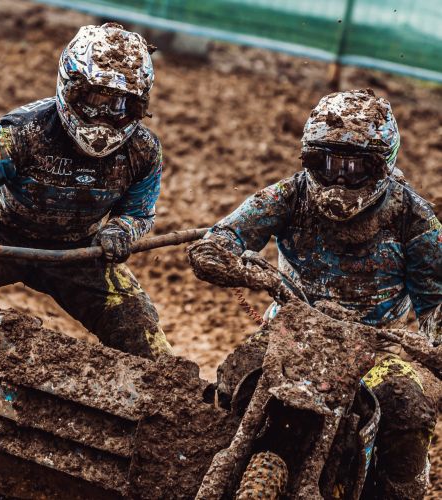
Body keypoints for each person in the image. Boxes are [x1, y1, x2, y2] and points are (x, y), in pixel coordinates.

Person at [188, 89, 440, 499]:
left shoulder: (414, 218)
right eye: (328, 163)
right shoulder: (288, 195)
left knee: (407, 407)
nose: (339, 178)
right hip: (288, 333)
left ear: (382, 165)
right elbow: (221, 238)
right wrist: (230, 263)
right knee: (236, 376)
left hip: (375, 348)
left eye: (355, 167)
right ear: (309, 159)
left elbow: (436, 301)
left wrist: (435, 344)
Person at [0, 23, 172, 377]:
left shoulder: (143, 150)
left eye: (120, 105)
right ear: (71, 88)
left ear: (140, 106)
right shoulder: (23, 133)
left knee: (149, 344)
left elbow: (138, 213)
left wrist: (121, 231)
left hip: (80, 251)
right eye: (96, 100)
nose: (105, 116)